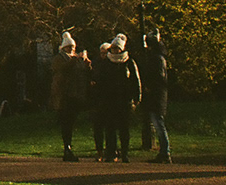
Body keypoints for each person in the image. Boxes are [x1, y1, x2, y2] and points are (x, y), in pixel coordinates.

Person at [89, 33, 142, 163]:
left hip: (124, 99)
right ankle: (111, 153)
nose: (114, 51)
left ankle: (125, 153)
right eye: (112, 48)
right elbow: (100, 80)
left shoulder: (129, 62)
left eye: (116, 48)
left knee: (124, 128)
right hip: (109, 100)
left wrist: (137, 97)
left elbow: (136, 81)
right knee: (110, 128)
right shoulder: (106, 63)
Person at [49, 32, 92, 163]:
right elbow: (61, 69)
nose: (72, 49)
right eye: (69, 47)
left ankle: (68, 147)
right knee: (66, 122)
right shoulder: (59, 59)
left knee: (71, 122)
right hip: (64, 96)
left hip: (75, 95)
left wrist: (86, 63)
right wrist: (74, 60)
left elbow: (85, 73)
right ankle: (67, 148)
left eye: (73, 47)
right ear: (63, 48)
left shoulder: (75, 59)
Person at [137, 30, 173, 162]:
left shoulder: (156, 59)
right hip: (158, 96)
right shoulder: (159, 57)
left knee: (159, 124)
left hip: (156, 96)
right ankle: (164, 151)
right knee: (158, 123)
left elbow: (158, 77)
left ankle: (165, 152)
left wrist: (150, 87)